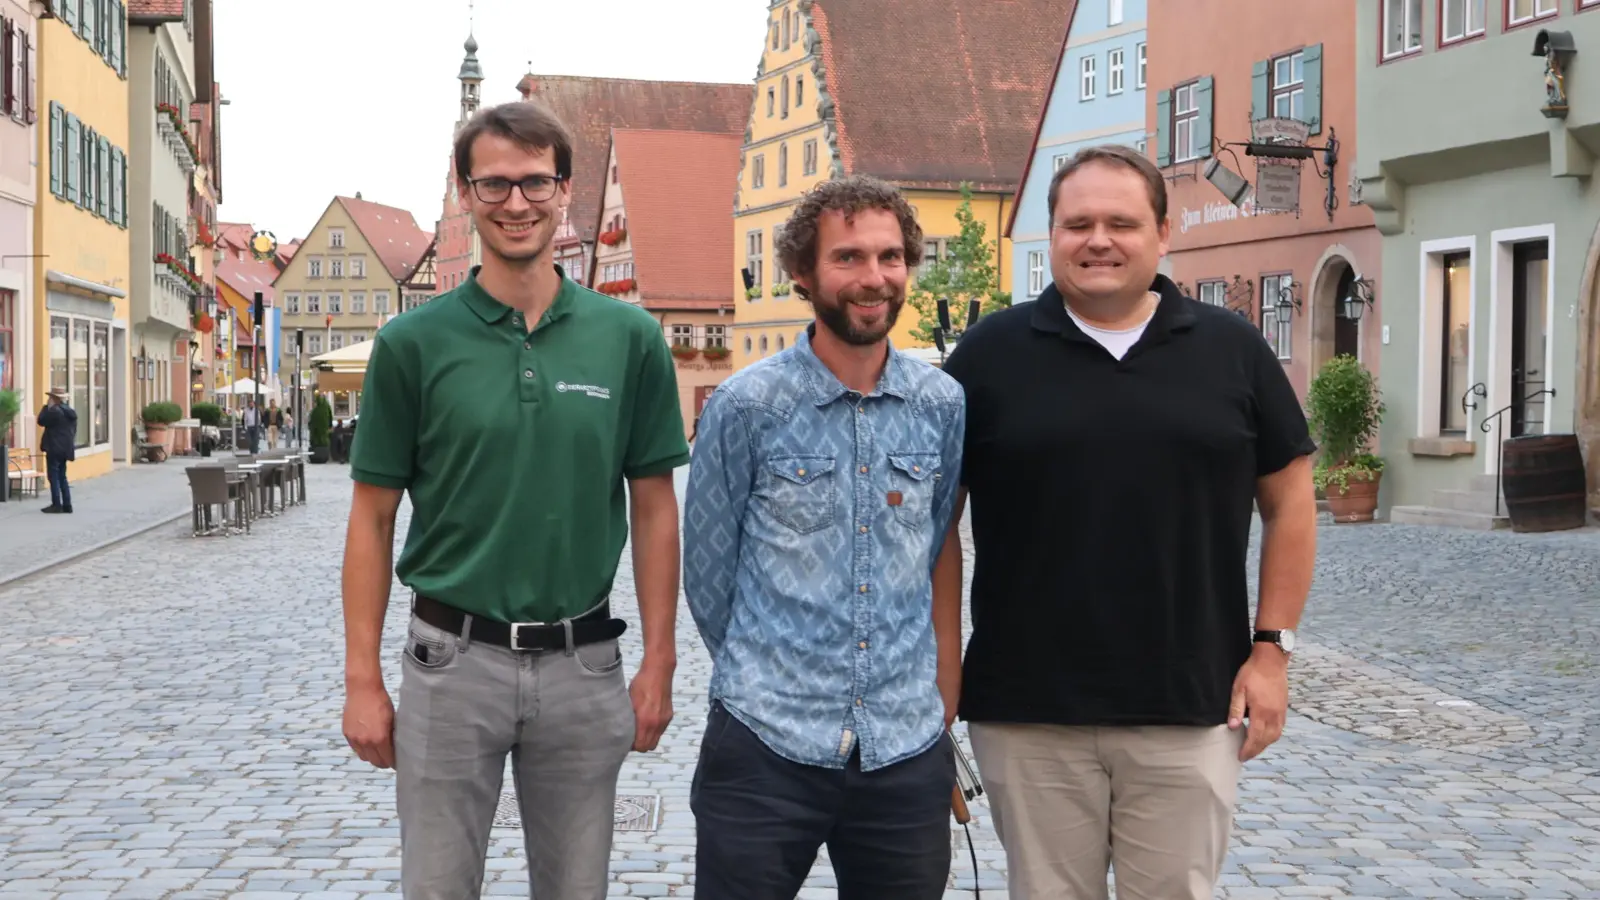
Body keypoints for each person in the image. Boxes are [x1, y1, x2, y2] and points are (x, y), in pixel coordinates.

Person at [938, 143, 1318, 900]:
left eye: (1122, 222)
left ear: (1163, 234)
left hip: (1191, 700)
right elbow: (935, 525)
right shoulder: (989, 355)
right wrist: (942, 667)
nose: (1099, 240)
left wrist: (1271, 652)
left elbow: (1291, 502)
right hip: (1026, 707)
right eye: (1078, 223)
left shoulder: (1232, 350)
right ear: (1052, 235)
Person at [341, 99, 689, 900]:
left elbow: (655, 508)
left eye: (536, 182)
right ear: (466, 194)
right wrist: (363, 676)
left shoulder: (627, 338)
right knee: (437, 889)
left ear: (566, 190)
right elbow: (372, 518)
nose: (517, 203)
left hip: (583, 663)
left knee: (576, 890)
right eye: (494, 185)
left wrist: (660, 660)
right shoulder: (411, 345)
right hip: (450, 662)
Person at [683, 174, 967, 900]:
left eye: (891, 257)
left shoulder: (941, 404)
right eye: (848, 259)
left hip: (903, 749)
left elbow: (936, 549)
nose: (873, 279)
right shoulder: (748, 405)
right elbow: (709, 577)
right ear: (803, 275)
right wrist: (776, 671)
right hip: (765, 742)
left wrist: (938, 701)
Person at [37, 388, 76, 514]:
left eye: (50, 398)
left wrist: (45, 407)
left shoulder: (54, 412)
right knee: (62, 476)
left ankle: (56, 504)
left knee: (53, 477)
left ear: (54, 399)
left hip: (54, 448)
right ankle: (67, 504)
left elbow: (41, 421)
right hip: (65, 449)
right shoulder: (70, 412)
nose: (48, 400)